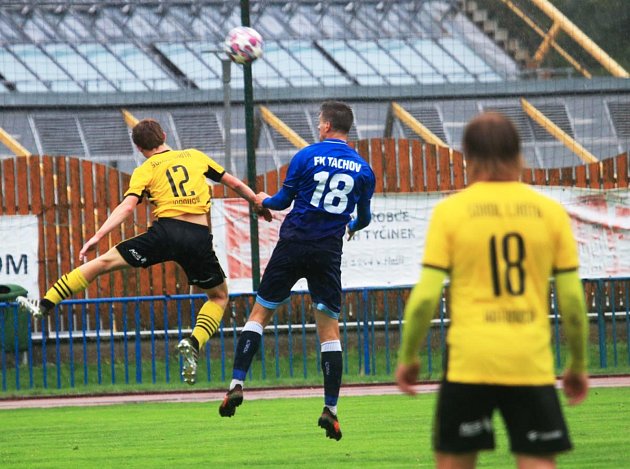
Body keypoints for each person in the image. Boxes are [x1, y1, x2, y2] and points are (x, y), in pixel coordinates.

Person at [396, 111, 589, 469]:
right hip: (529, 362)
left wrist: (409, 355)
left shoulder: (450, 213)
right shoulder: (550, 213)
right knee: (538, 461)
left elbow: (424, 299)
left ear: (467, 156)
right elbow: (573, 304)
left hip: (470, 362)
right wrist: (577, 363)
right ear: (519, 154)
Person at [17, 118, 272, 385]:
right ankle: (194, 342)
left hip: (164, 234)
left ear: (139, 148)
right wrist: (256, 202)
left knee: (102, 262)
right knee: (219, 297)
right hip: (197, 237)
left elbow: (127, 208)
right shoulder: (195, 156)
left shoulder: (145, 168)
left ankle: (45, 305)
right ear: (164, 134)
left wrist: (98, 236)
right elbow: (234, 184)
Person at [218, 101, 376, 441]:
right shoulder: (363, 169)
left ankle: (236, 383)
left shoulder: (306, 156)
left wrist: (262, 199)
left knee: (259, 313)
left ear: (326, 126)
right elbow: (364, 218)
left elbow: (281, 202)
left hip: (293, 244)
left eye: (319, 122)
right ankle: (330, 409)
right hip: (327, 252)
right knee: (329, 331)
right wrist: (350, 223)